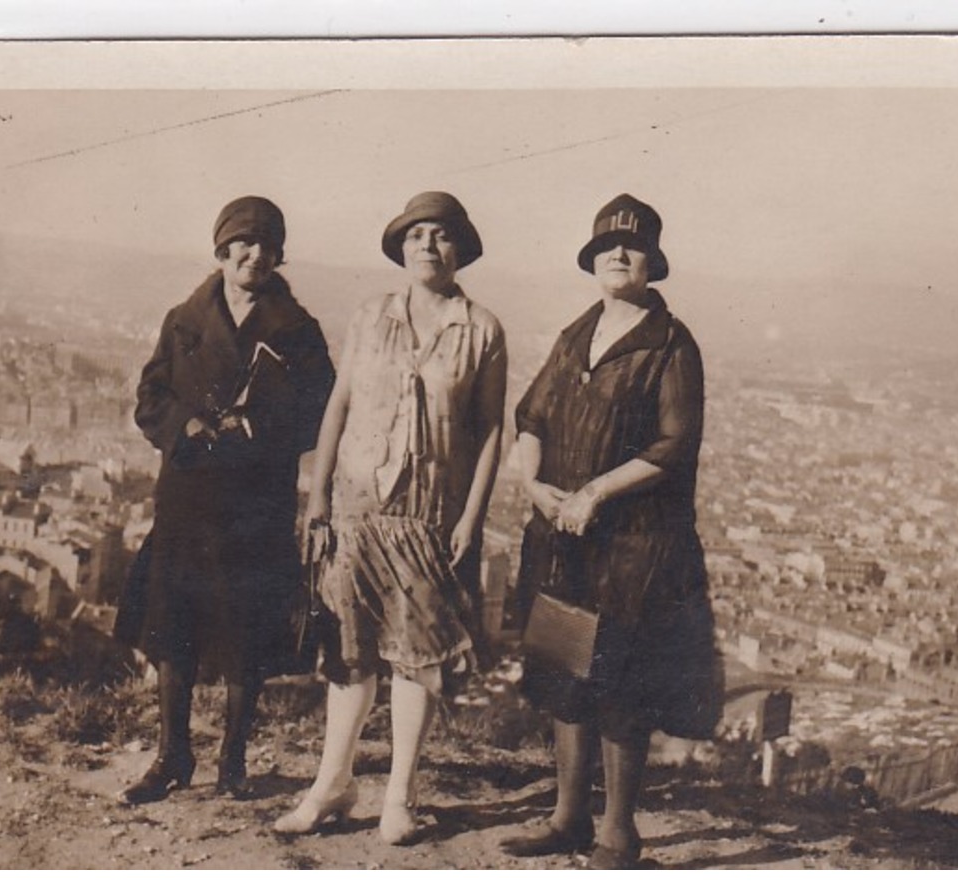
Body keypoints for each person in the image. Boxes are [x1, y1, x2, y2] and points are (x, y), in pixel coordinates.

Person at [273, 192, 507, 845]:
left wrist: (471, 515)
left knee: (417, 656)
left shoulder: (482, 330)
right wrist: (317, 493)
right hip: (356, 502)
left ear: (460, 247)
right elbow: (339, 402)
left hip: (427, 512)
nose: (428, 246)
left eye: (441, 235)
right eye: (416, 235)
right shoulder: (370, 316)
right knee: (349, 652)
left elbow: (490, 431)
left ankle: (399, 795)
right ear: (400, 248)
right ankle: (331, 785)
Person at [500, 194, 722, 869]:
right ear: (592, 259)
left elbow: (674, 443)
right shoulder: (576, 334)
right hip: (567, 535)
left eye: (631, 246)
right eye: (606, 246)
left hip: (637, 544)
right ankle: (568, 816)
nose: (618, 254)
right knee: (567, 669)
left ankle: (617, 834)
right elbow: (532, 414)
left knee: (624, 682)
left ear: (652, 262)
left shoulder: (670, 344)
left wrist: (596, 489)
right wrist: (533, 485)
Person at [117, 196, 335, 803]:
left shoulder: (299, 332)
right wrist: (186, 425)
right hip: (187, 497)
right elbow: (150, 398)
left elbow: (322, 412)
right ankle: (172, 757)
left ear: (279, 256)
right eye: (243, 242)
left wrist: (260, 428)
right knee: (173, 630)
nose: (255, 254)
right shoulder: (184, 320)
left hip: (255, 503)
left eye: (267, 245)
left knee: (247, 634)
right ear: (222, 249)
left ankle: (233, 761)